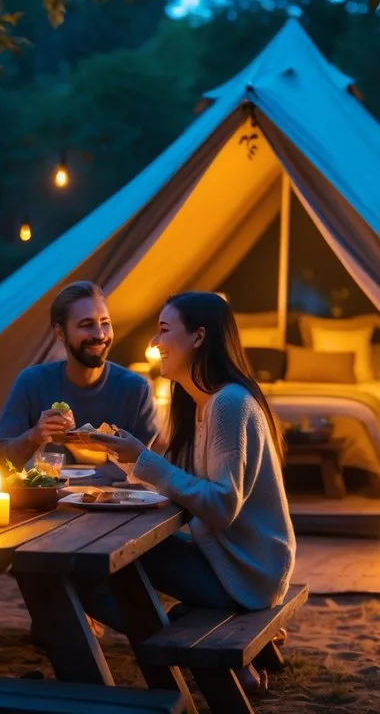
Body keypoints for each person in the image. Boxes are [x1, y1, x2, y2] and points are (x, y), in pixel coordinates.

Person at [86, 291, 295, 693]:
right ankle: (195, 635)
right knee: (113, 561)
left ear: (199, 337)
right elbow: (185, 486)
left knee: (97, 569)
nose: (153, 342)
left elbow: (220, 505)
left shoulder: (229, 404)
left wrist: (145, 458)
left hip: (249, 573)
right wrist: (128, 454)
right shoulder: (202, 405)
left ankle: (195, 647)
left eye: (163, 330)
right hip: (235, 562)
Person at [0, 280, 158, 467]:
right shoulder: (32, 382)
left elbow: (153, 468)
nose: (100, 334)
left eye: (105, 323)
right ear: (60, 333)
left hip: (118, 497)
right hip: (47, 496)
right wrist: (33, 437)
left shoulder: (136, 388)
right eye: (86, 325)